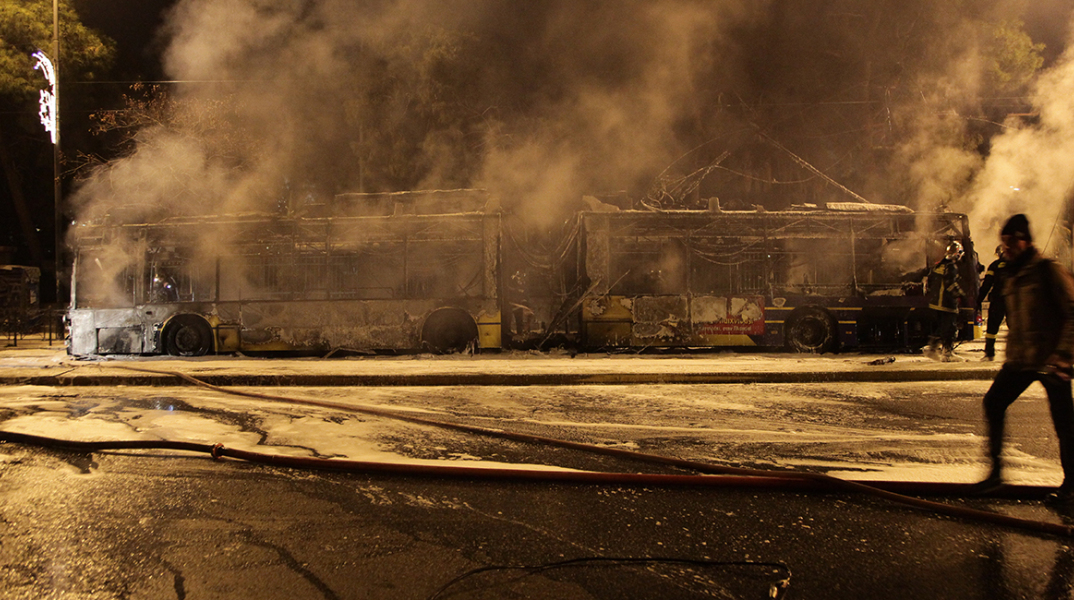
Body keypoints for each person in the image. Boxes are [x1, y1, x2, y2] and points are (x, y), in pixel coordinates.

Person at [974, 214, 1074, 501]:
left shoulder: (1048, 270)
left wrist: (1064, 356)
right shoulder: (1011, 273)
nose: (1006, 247)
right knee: (993, 402)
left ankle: (1071, 486)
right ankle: (995, 475)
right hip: (1021, 361)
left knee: (1064, 424)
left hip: (1051, 362)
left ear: (1025, 241)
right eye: (1003, 242)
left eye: (1011, 241)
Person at [905, 240, 968, 361]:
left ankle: (932, 349)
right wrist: (962, 297)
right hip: (947, 303)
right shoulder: (951, 267)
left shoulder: (938, 265)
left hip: (936, 303)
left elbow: (930, 282)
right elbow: (951, 285)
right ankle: (947, 353)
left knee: (941, 327)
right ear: (957, 253)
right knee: (950, 328)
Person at [976, 246, 1008, 361]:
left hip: (998, 300)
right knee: (1016, 328)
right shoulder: (1018, 265)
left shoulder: (994, 265)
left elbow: (987, 285)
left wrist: (978, 300)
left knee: (992, 329)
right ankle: (1021, 354)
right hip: (1013, 301)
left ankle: (989, 353)